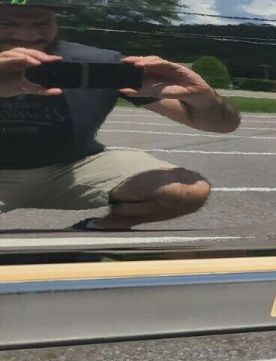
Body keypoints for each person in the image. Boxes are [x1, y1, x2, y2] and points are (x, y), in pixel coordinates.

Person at [0, 0, 240, 230]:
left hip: (72, 166)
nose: (26, 35)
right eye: (7, 23)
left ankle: (97, 230)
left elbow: (220, 126)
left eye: (42, 23)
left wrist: (203, 98)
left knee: (188, 190)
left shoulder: (96, 64)